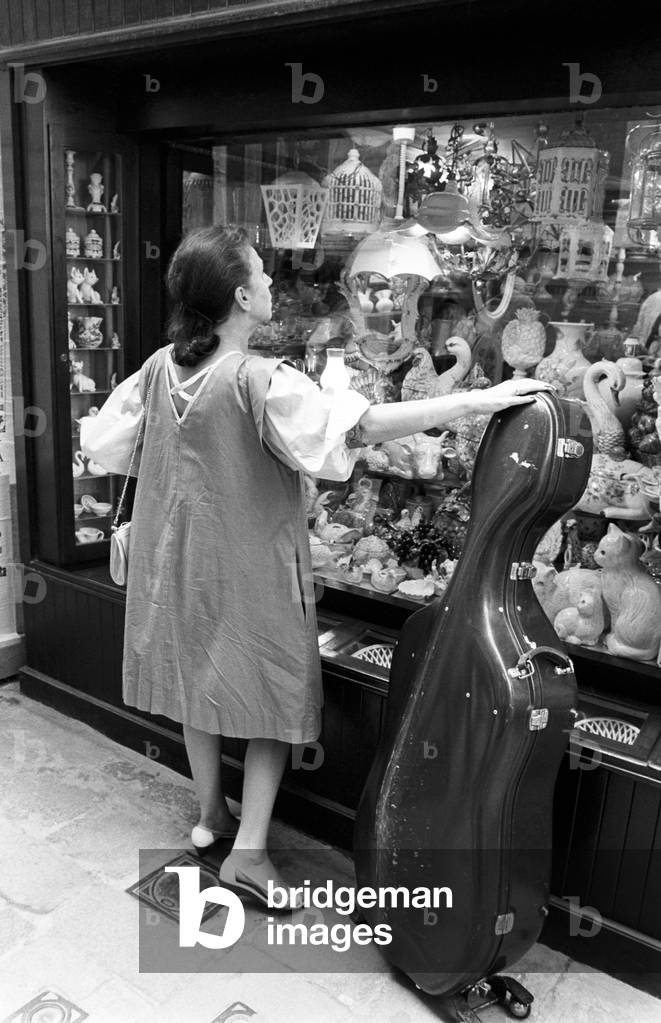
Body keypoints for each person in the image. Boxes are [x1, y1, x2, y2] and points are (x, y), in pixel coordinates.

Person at [122, 224, 551, 908]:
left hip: (178, 564)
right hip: (253, 564)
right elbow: (360, 426)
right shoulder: (261, 378)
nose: (270, 283)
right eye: (261, 275)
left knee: (193, 679)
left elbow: (113, 442)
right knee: (274, 697)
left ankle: (210, 815)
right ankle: (250, 853)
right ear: (239, 295)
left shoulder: (160, 367)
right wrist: (472, 400)